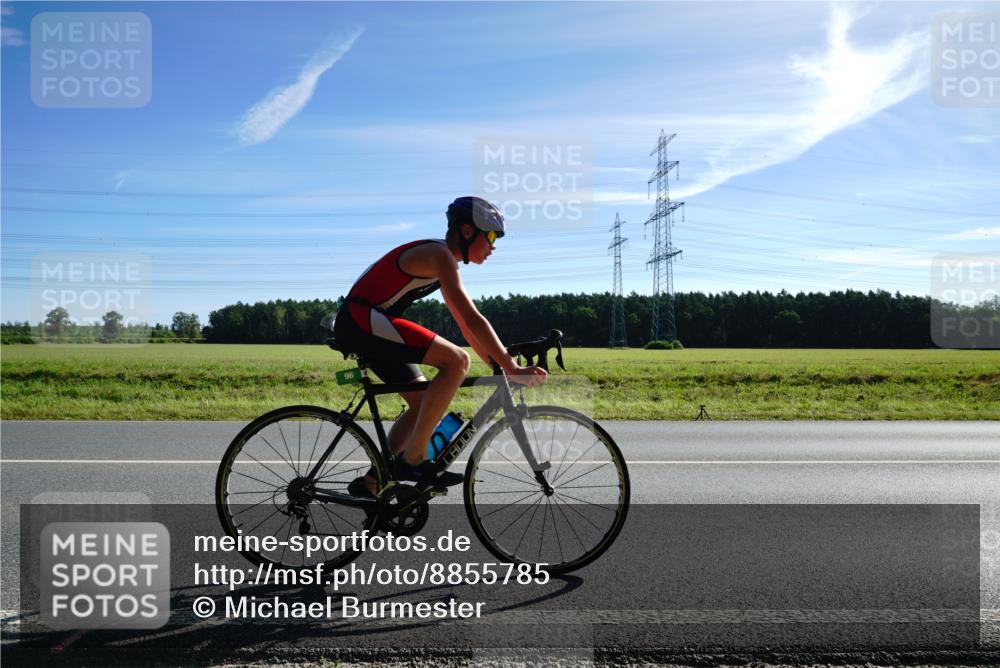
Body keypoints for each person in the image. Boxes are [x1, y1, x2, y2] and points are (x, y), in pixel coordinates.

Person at [333, 196, 548, 496]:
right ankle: (414, 458)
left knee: (423, 401)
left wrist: (496, 365)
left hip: (366, 322)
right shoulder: (440, 255)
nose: (493, 246)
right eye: (490, 237)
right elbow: (473, 318)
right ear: (467, 231)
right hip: (362, 320)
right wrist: (511, 367)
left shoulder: (440, 258)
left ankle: (374, 480)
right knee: (457, 361)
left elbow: (463, 321)